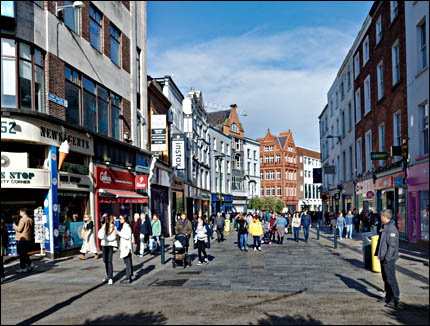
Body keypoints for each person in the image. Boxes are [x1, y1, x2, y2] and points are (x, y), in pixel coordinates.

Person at [376, 209, 400, 308]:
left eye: (381, 216)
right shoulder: (385, 226)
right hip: (383, 257)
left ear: (385, 217)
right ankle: (388, 297)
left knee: (391, 279)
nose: (380, 217)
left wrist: (387, 258)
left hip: (388, 258)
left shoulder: (391, 229)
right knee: (385, 278)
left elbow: (392, 246)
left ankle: (395, 299)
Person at [97, 215, 118, 285]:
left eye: (106, 219)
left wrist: (105, 238)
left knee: (109, 261)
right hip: (104, 245)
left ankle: (111, 277)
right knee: (105, 260)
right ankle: (108, 276)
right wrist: (105, 237)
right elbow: (99, 235)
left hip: (110, 245)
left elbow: (113, 237)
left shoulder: (113, 227)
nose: (105, 220)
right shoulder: (104, 226)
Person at [13, 208, 34, 273]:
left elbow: (19, 229)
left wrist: (14, 226)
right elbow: (31, 229)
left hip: (22, 238)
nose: (19, 213)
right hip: (27, 238)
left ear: (23, 212)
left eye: (20, 212)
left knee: (22, 254)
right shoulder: (30, 219)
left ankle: (23, 268)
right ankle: (29, 264)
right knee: (24, 252)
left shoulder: (22, 220)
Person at [116, 215, 133, 284]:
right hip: (125, 247)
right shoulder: (124, 226)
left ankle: (128, 277)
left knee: (127, 262)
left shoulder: (127, 227)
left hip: (126, 247)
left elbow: (127, 236)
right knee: (127, 262)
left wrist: (119, 233)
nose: (120, 220)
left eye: (120, 218)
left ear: (125, 219)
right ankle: (129, 275)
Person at [1, 217, 8, 283]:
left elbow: (5, 241)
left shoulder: (3, 231)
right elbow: (6, 241)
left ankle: (2, 276)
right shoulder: (4, 230)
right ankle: (2, 276)